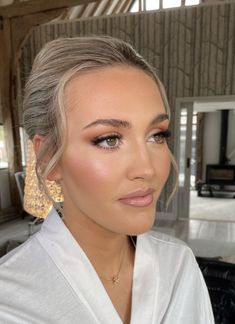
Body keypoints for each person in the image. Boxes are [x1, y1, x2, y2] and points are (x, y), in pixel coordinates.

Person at [0, 36, 214, 324]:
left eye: (157, 135)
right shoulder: (9, 298)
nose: (147, 169)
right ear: (49, 156)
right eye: (109, 139)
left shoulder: (178, 265)